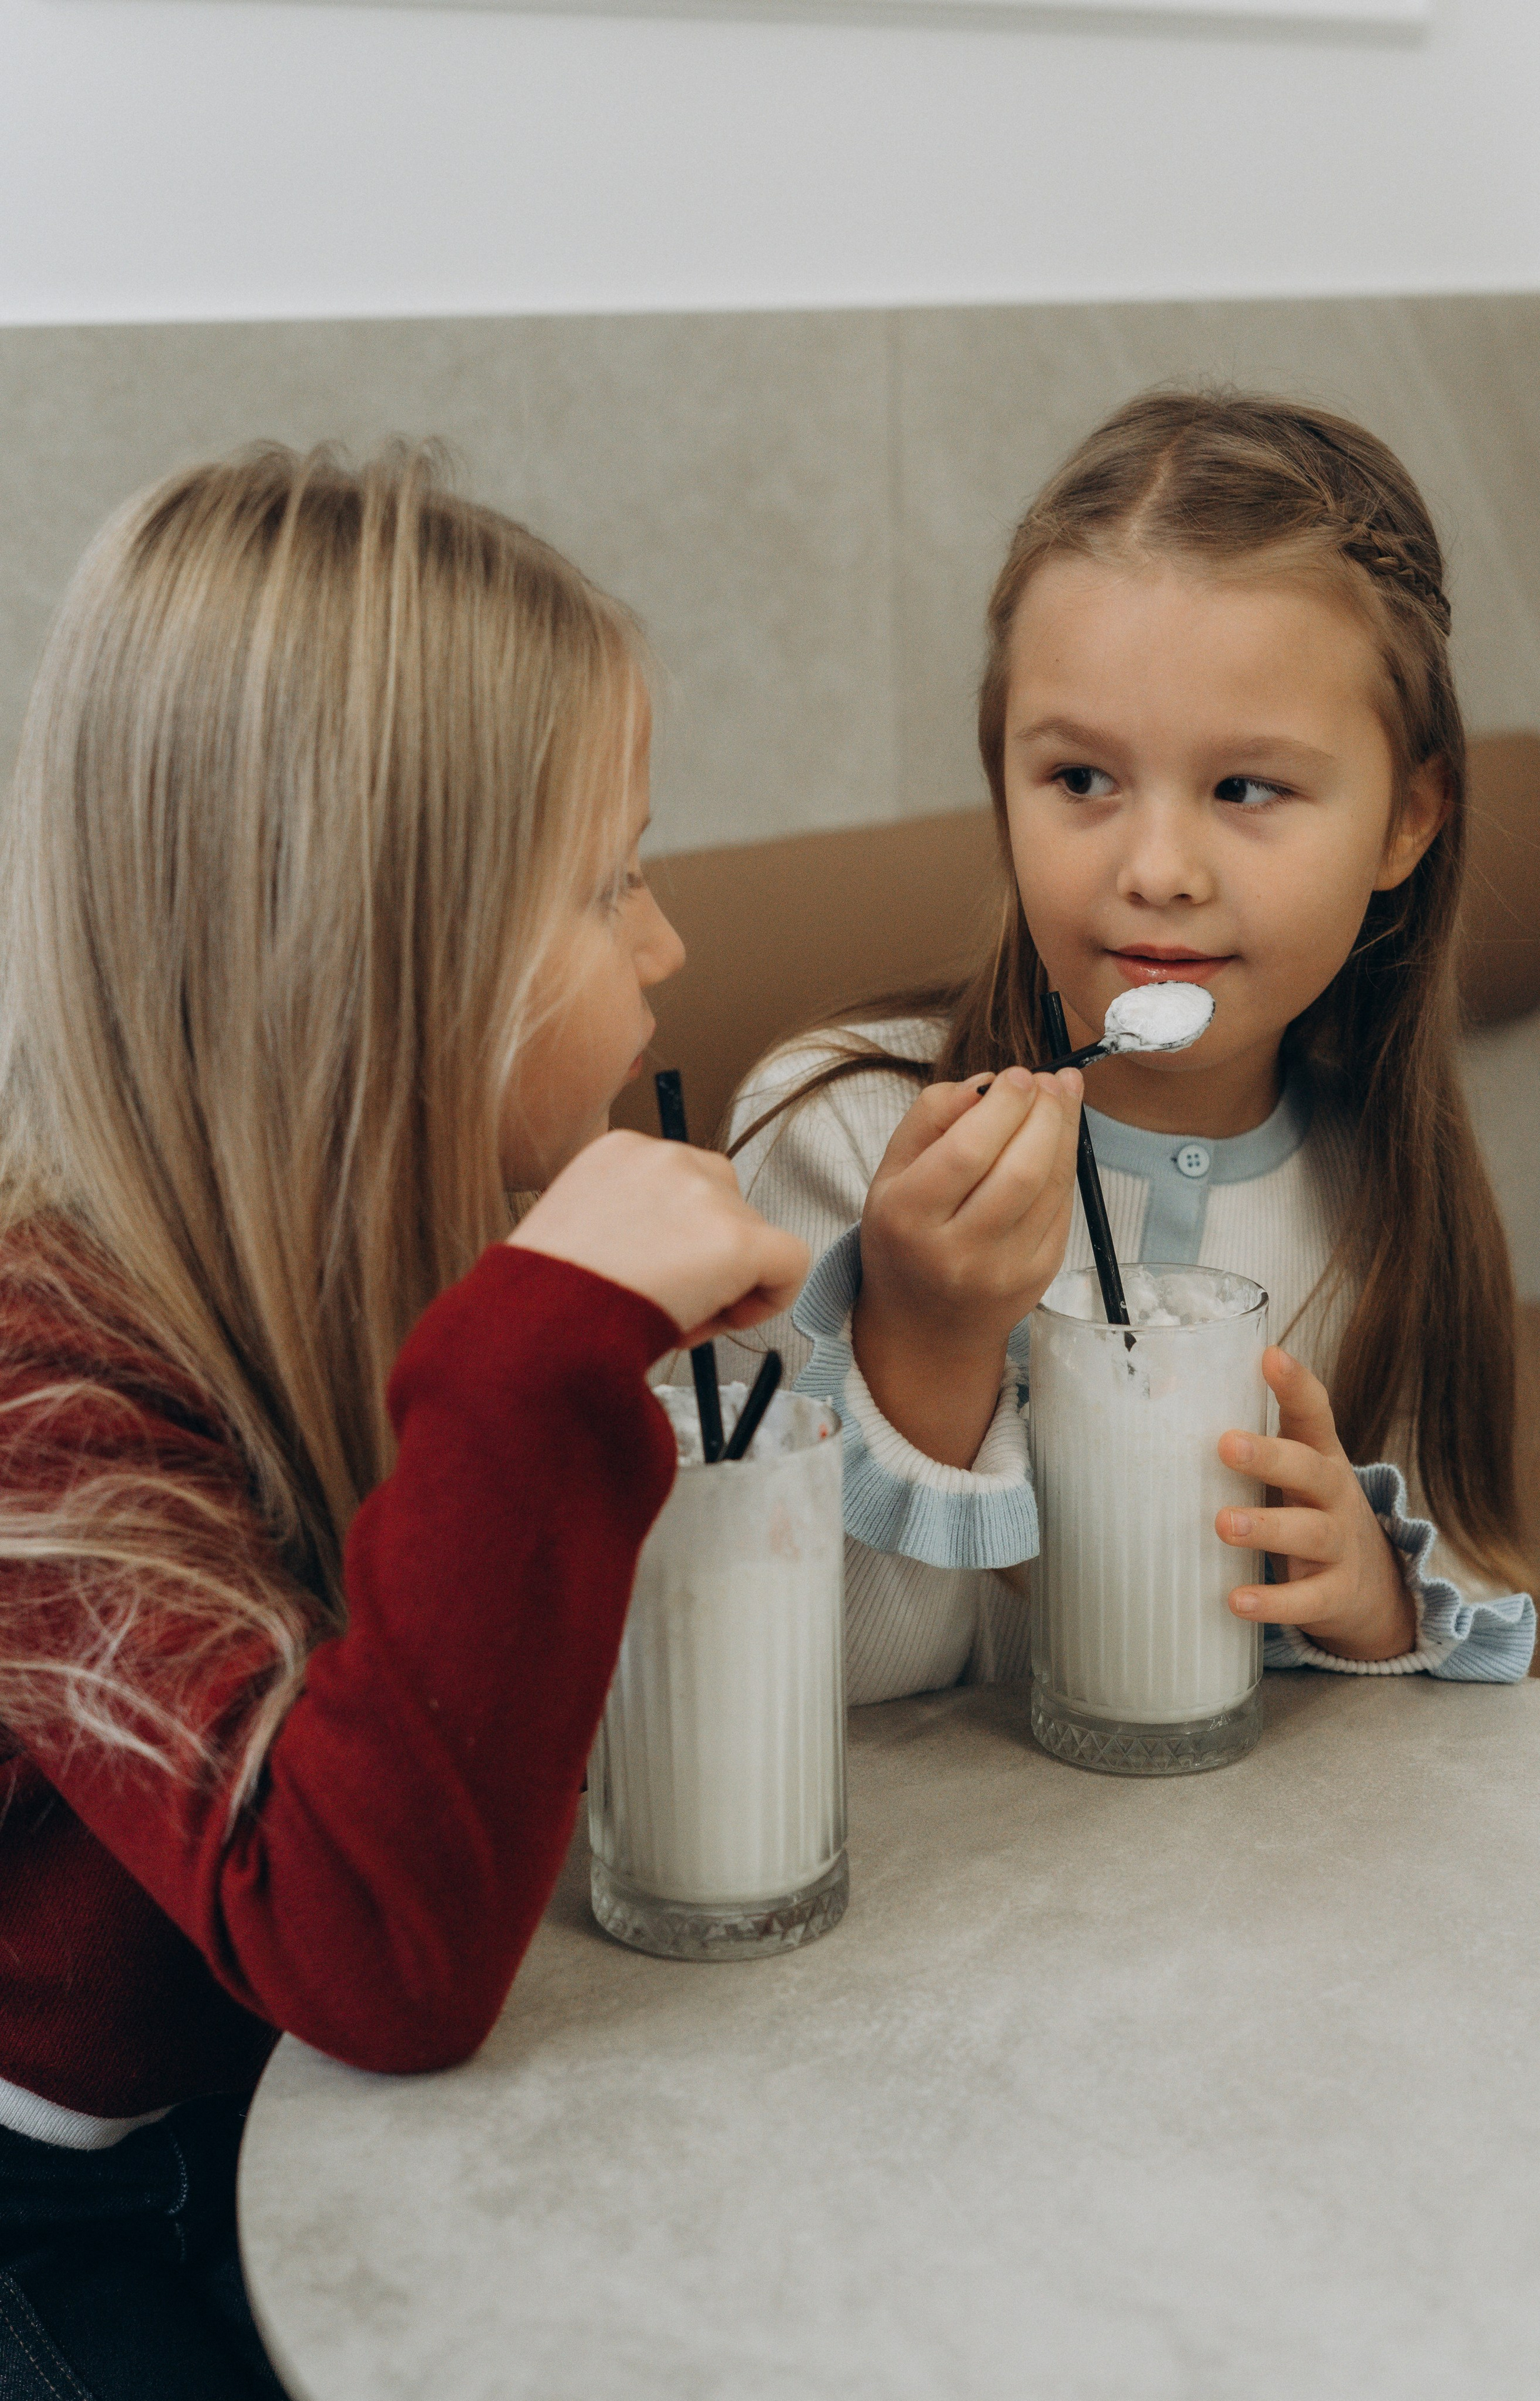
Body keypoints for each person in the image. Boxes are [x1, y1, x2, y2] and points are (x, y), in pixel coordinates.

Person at [0, 444, 808, 2398]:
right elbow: (376, 1958)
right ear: (388, 960)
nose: (666, 945)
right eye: (611, 881)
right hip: (76, 2226)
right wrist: (544, 1344)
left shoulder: (407, 1233)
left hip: (305, 2128)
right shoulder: (44, 1398)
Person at [716, 392, 1535, 1704]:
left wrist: (1370, 1604)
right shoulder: (839, 1138)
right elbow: (803, 1682)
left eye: (1244, 788)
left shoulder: (1389, 1196)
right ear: (1000, 782)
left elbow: (1469, 1617)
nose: (1153, 871)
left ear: (1404, 820)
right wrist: (924, 1342)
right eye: (1081, 781)